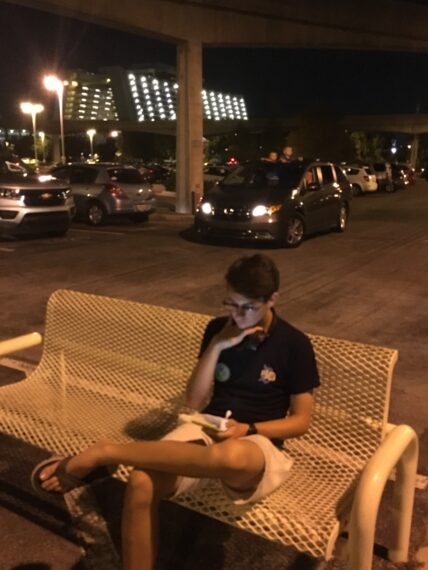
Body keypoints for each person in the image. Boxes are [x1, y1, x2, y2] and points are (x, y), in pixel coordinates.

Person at [32, 254, 320, 570]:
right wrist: (218, 346)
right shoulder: (218, 330)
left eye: (247, 307)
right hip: (208, 426)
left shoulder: (294, 345)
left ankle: (105, 452)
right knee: (141, 480)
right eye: (231, 304)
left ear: (272, 300)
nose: (237, 315)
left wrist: (248, 429)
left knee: (231, 456)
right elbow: (195, 403)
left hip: (256, 443)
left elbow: (301, 421)